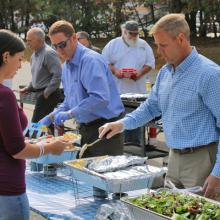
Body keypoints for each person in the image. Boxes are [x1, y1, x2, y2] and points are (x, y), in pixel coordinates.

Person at [99, 14, 220, 200]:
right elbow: (150, 108)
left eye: (162, 45)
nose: (158, 52)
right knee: (171, 211)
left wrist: (218, 173)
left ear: (180, 39)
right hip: (173, 158)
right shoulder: (165, 73)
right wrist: (121, 124)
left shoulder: (209, 75)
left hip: (202, 161)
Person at [0, 29, 71, 220]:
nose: (20, 65)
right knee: (36, 128)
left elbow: (7, 137)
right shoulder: (4, 95)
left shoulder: (47, 54)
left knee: (36, 128)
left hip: (46, 96)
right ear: (6, 56)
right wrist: (48, 148)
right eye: (19, 59)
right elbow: (16, 150)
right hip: (7, 187)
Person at [39, 20, 125, 158]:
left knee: (103, 176)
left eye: (62, 45)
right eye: (55, 46)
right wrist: (51, 116)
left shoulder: (91, 61)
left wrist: (69, 114)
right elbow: (70, 100)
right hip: (85, 129)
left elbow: (99, 98)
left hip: (106, 129)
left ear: (73, 38)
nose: (60, 51)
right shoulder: (67, 66)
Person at [102, 20, 155, 146]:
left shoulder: (143, 44)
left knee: (136, 123)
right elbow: (104, 62)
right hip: (118, 91)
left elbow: (150, 63)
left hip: (138, 91)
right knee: (119, 122)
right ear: (124, 32)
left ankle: (136, 147)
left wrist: (140, 73)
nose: (134, 36)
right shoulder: (113, 44)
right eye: (131, 33)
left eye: (136, 34)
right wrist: (115, 71)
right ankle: (120, 147)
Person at [20, 27, 62, 129]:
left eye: (29, 40)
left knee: (36, 125)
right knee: (46, 125)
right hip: (41, 94)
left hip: (49, 94)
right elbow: (37, 77)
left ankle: (37, 143)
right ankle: (55, 142)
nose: (27, 42)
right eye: (27, 40)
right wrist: (29, 87)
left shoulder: (48, 53)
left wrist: (47, 92)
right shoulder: (33, 56)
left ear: (39, 40)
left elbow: (58, 75)